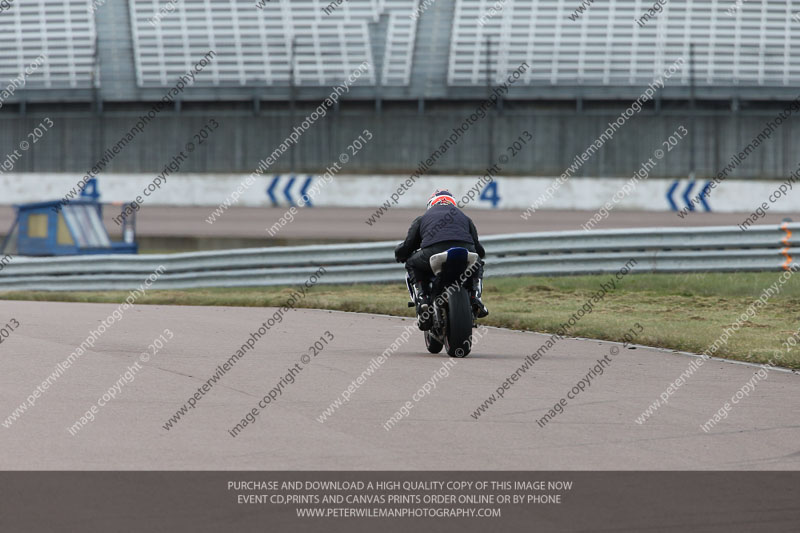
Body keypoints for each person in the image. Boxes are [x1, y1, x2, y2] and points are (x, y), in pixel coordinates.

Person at [394, 189, 488, 330]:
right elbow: (479, 250)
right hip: (466, 252)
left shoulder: (423, 218)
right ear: (453, 203)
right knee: (478, 263)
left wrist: (400, 254)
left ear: (431, 204)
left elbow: (408, 246)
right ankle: (475, 297)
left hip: (434, 252)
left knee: (412, 263)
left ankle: (423, 297)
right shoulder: (464, 217)